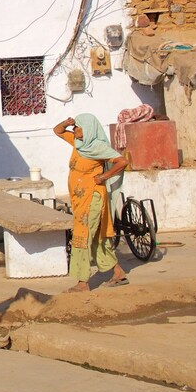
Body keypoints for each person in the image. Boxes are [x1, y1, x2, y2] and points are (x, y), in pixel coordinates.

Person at [54, 114, 130, 292]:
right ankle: (117, 273)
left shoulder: (98, 147)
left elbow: (122, 161)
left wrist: (103, 177)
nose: (75, 130)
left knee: (83, 236)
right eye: (74, 128)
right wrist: (67, 122)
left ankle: (82, 283)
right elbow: (57, 131)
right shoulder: (79, 144)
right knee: (95, 237)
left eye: (78, 127)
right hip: (80, 199)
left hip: (93, 198)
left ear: (88, 128)